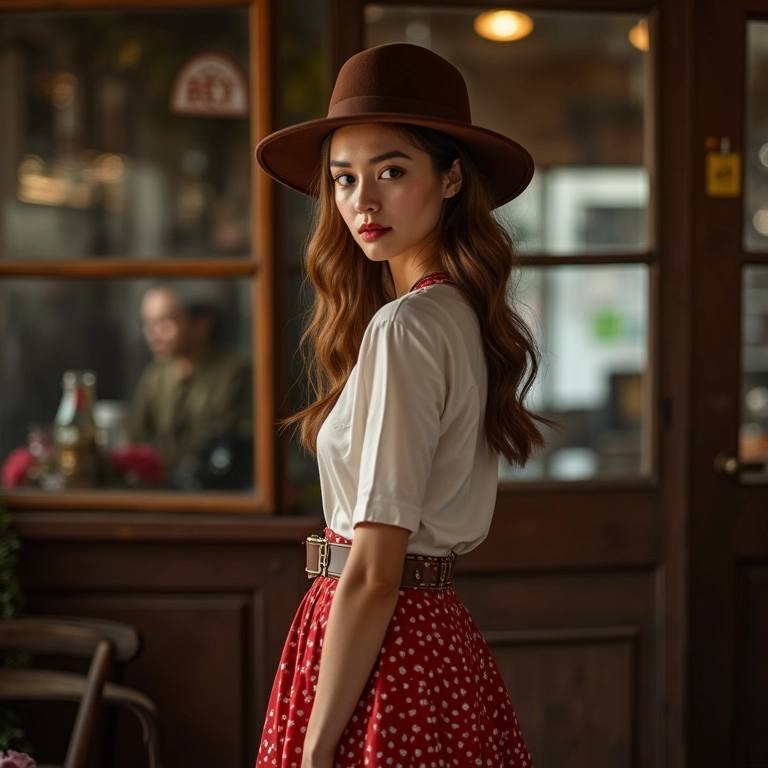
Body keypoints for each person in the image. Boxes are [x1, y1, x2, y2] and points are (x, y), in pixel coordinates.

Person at [255, 43, 549, 767]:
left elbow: (378, 566)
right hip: (431, 641)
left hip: (384, 644)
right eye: (344, 178)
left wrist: (316, 748)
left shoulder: (406, 327)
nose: (363, 201)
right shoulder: (457, 313)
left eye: (391, 171)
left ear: (451, 178)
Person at [130, 285, 253, 489]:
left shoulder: (234, 374)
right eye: (148, 324)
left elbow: (241, 445)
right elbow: (138, 436)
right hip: (166, 493)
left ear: (202, 324)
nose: (153, 334)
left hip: (220, 494)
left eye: (165, 322)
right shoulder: (156, 376)